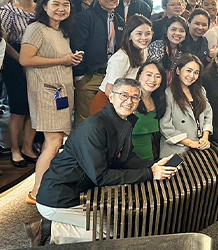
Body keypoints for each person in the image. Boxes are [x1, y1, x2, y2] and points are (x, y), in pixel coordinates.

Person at [29, 78, 176, 245]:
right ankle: (49, 229)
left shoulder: (123, 121)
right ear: (111, 97)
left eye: (135, 97)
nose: (129, 101)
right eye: (123, 95)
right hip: (58, 198)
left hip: (80, 192)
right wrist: (149, 174)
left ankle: (59, 227)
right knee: (116, 233)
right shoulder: (94, 127)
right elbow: (101, 177)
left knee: (120, 224)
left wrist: (154, 165)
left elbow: (126, 159)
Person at [20, 0, 81, 205]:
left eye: (66, 4)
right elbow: (25, 59)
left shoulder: (62, 31)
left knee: (55, 142)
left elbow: (59, 59)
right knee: (53, 141)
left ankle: (45, 187)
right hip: (46, 92)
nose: (61, 8)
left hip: (62, 92)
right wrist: (61, 60)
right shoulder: (36, 28)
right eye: (56, 4)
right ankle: (37, 192)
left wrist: (70, 60)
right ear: (44, 6)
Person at [71, 0, 124, 126]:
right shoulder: (84, 17)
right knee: (86, 120)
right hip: (89, 76)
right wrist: (80, 75)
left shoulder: (119, 20)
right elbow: (78, 45)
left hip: (110, 76)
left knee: (107, 120)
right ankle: (81, 149)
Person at [1, 0, 39, 168]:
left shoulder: (41, 10)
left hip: (39, 62)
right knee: (18, 108)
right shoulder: (8, 11)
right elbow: (4, 42)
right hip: (15, 61)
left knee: (35, 107)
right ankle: (15, 149)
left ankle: (28, 147)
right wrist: (22, 60)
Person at [90, 15, 152, 114]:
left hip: (126, 100)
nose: (144, 38)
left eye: (148, 33)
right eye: (139, 34)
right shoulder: (121, 57)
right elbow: (109, 90)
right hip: (107, 104)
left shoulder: (143, 50)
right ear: (129, 36)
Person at [159, 54, 213, 157]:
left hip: (198, 147)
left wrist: (205, 137)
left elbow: (208, 113)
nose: (192, 76)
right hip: (176, 150)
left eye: (196, 73)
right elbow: (165, 127)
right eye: (188, 71)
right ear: (178, 71)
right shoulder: (168, 94)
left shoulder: (200, 91)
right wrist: (190, 143)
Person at [132, 61, 166, 161]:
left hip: (149, 160)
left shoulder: (158, 101)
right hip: (127, 162)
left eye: (158, 76)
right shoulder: (128, 101)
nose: (153, 80)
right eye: (149, 75)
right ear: (139, 76)